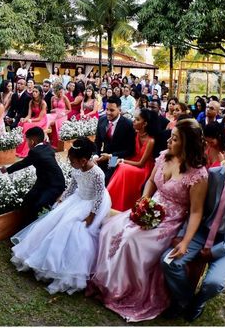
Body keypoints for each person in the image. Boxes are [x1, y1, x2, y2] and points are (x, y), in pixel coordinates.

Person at [87, 119, 209, 322]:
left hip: (171, 220)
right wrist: (144, 200)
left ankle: (121, 290)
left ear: (187, 144)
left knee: (132, 241)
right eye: (171, 135)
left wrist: (185, 241)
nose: (169, 140)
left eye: (175, 138)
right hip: (150, 206)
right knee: (112, 230)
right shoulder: (164, 156)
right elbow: (152, 181)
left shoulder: (198, 175)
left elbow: (196, 212)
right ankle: (103, 282)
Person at [161, 134, 225, 322]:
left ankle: (198, 302)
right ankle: (184, 299)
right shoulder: (211, 175)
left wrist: (216, 251)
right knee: (168, 262)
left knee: (214, 283)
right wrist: (184, 235)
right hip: (201, 233)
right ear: (223, 153)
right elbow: (194, 209)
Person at [11, 137, 110, 295]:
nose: (70, 163)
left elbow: (99, 197)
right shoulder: (76, 169)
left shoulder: (97, 174)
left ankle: (63, 268)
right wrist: (62, 198)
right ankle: (39, 257)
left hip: (90, 203)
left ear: (83, 160)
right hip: (77, 198)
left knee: (69, 228)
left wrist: (92, 215)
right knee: (51, 222)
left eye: (72, 160)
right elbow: (72, 186)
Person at [1, 127, 66, 223]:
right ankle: (26, 223)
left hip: (54, 185)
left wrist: (7, 169)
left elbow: (23, 163)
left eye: (27, 141)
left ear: (32, 142)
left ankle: (36, 225)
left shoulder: (35, 152)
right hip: (43, 181)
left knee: (40, 204)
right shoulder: (47, 147)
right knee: (28, 199)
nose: (27, 144)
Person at [107, 109, 157, 211]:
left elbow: (140, 163)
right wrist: (105, 157)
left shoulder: (149, 139)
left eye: (137, 119)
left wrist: (120, 160)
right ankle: (108, 200)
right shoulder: (135, 133)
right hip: (120, 157)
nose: (133, 121)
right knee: (114, 165)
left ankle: (116, 203)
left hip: (143, 167)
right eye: (134, 118)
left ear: (145, 124)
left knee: (121, 167)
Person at [94, 96, 136, 185]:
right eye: (107, 109)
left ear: (119, 109)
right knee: (92, 174)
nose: (108, 113)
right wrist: (96, 156)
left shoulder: (128, 125)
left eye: (112, 110)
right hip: (102, 155)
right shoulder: (102, 120)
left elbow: (130, 150)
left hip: (115, 157)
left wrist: (110, 156)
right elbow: (97, 141)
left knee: (107, 178)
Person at [16, 87, 48, 158]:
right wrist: (24, 119)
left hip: (41, 120)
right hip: (34, 118)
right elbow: (29, 115)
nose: (34, 93)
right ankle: (19, 148)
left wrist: (30, 120)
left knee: (27, 126)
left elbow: (40, 118)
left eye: (36, 91)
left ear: (40, 93)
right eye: (33, 91)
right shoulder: (31, 102)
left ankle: (25, 150)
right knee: (20, 123)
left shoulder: (43, 103)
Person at [46, 83, 71, 148]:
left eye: (62, 91)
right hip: (54, 114)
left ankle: (58, 143)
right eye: (59, 92)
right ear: (56, 91)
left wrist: (63, 113)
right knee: (47, 118)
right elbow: (51, 110)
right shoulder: (52, 98)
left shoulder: (64, 97)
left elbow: (69, 109)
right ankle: (48, 140)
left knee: (57, 122)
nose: (61, 93)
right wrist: (55, 110)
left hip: (63, 115)